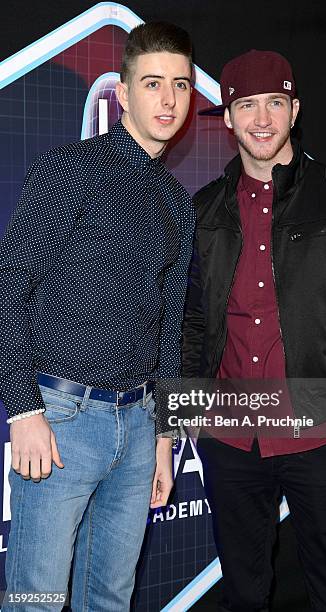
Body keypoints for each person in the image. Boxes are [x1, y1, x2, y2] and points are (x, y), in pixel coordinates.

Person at [182, 49, 326, 611]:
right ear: (228, 117)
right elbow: (190, 320)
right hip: (229, 437)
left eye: (275, 104)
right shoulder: (203, 209)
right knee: (243, 594)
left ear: (294, 109)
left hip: (321, 429)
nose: (262, 119)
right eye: (248, 105)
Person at [0, 21, 195, 611]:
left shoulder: (176, 203)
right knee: (35, 600)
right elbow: (11, 287)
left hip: (137, 430)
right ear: (123, 90)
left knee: (109, 599)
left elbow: (170, 325)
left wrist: (164, 435)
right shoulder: (69, 171)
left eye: (181, 86)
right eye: (153, 83)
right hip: (61, 420)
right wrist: (24, 409)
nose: (167, 100)